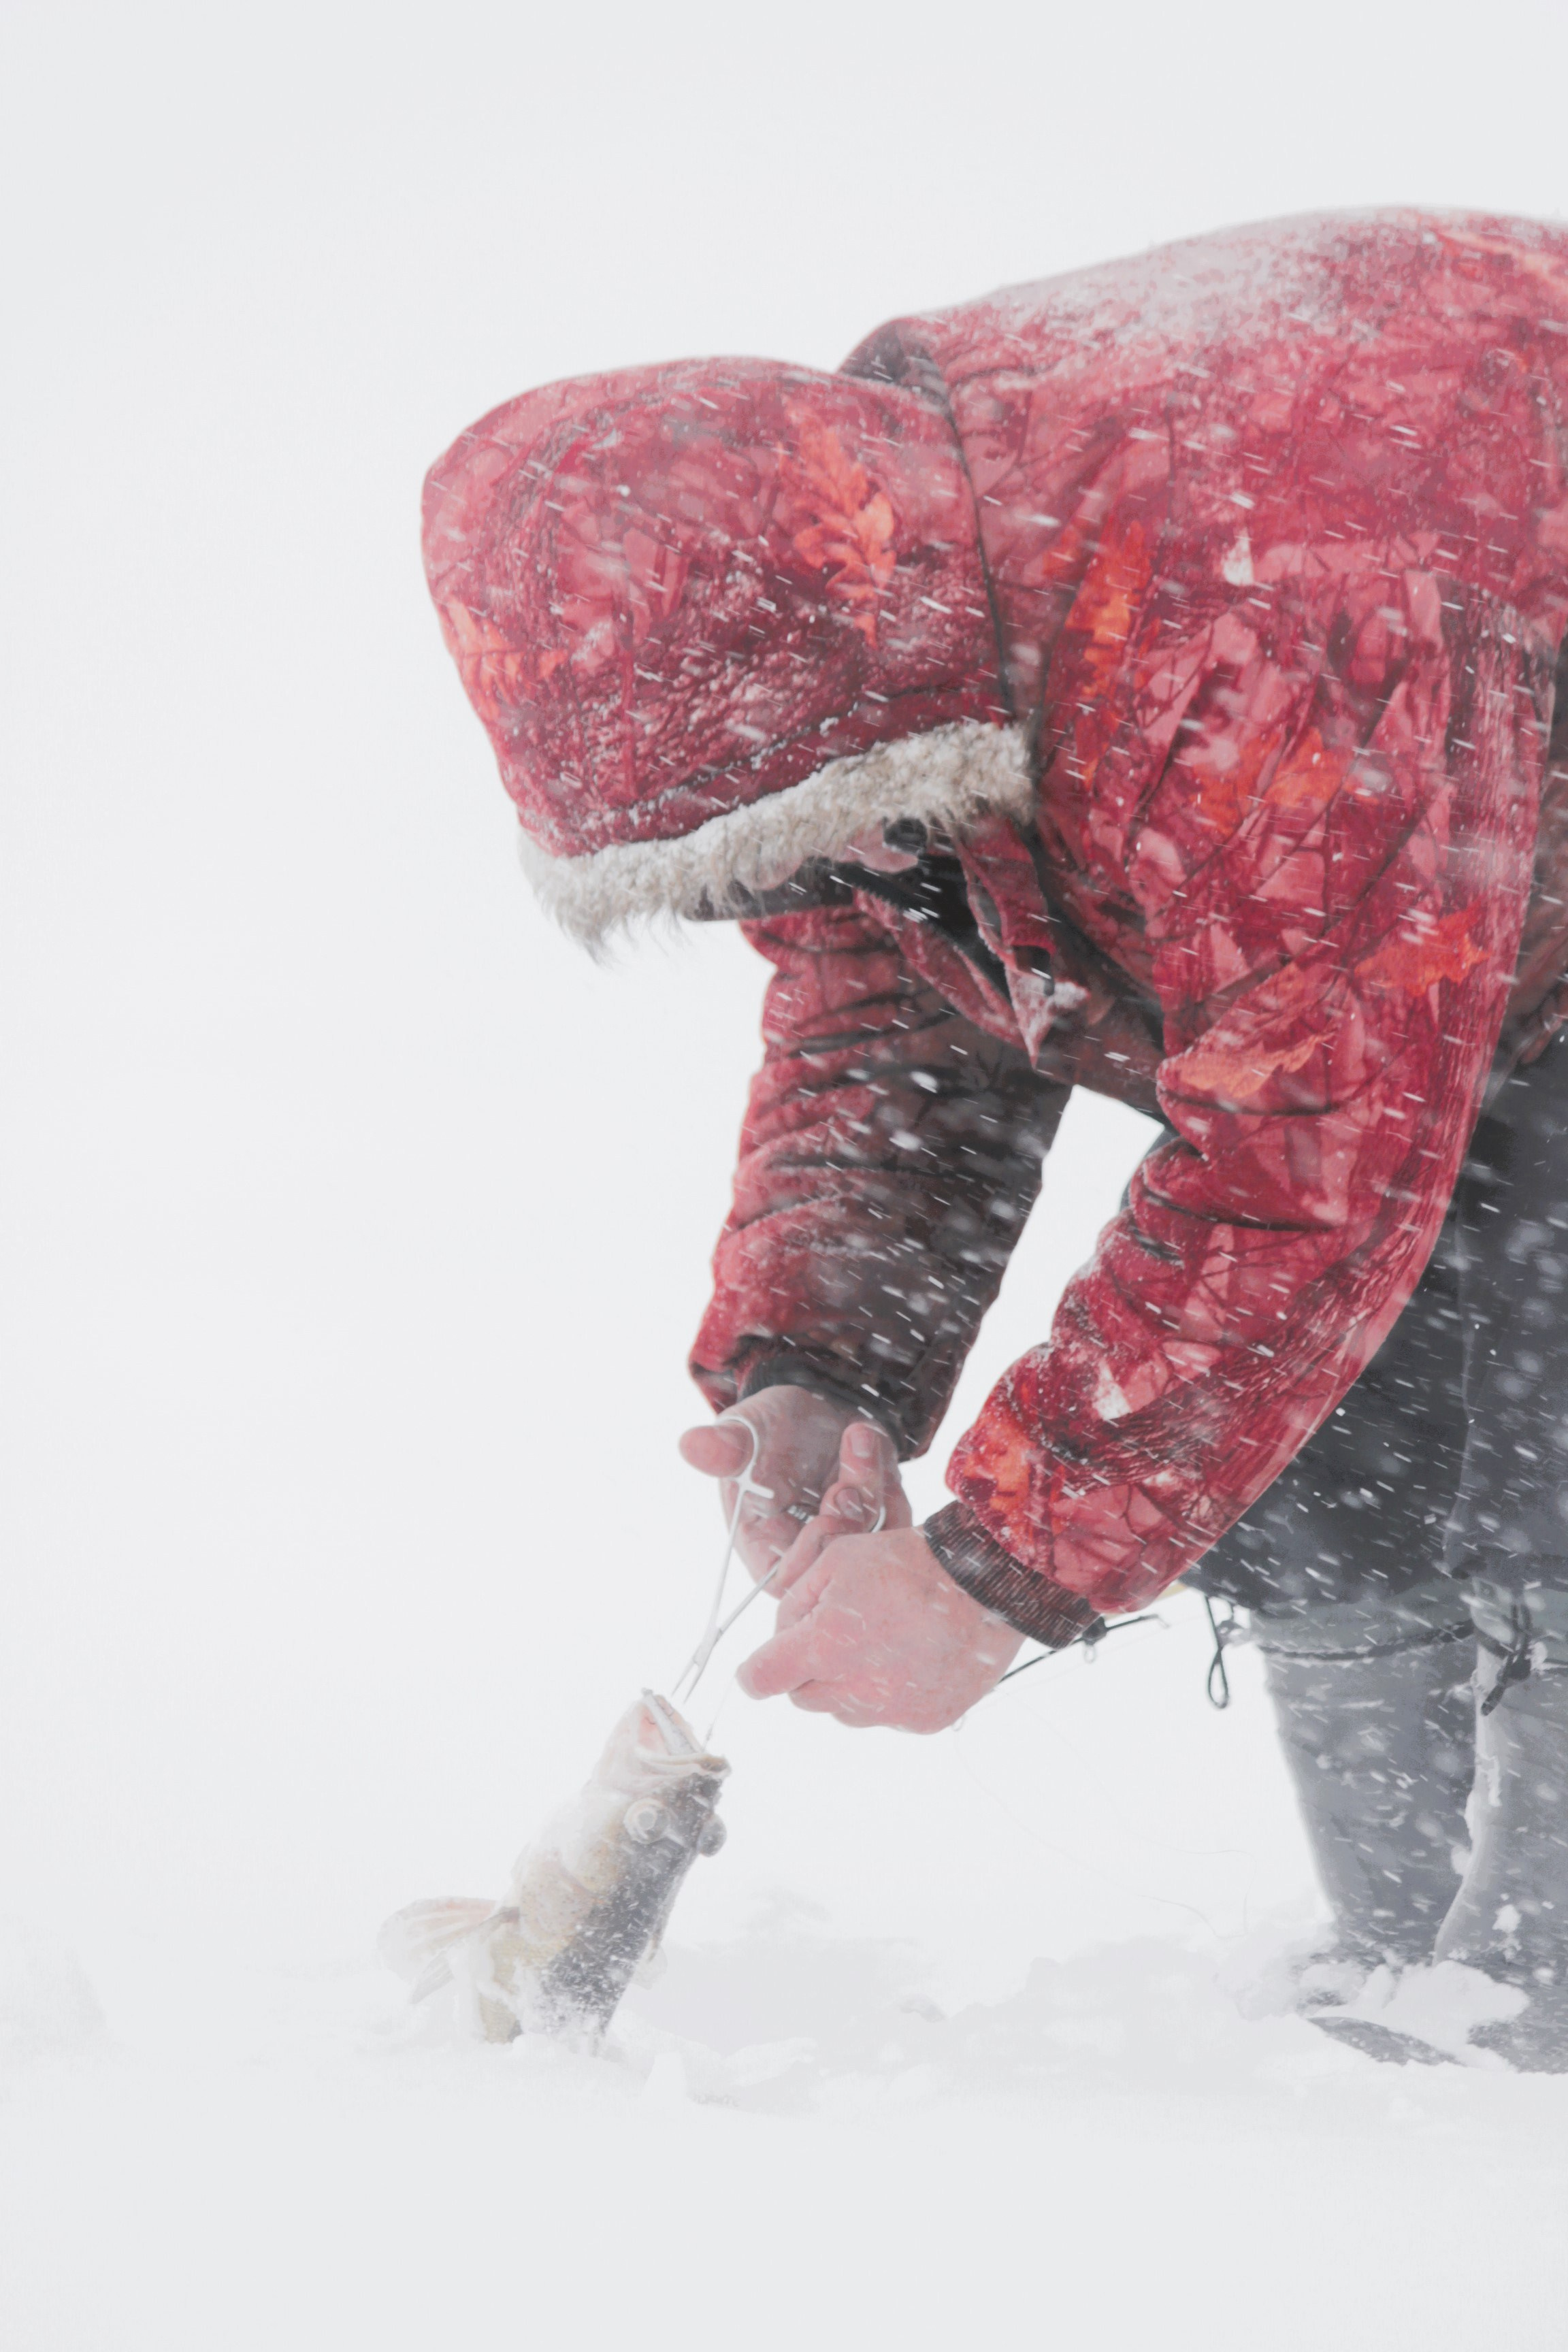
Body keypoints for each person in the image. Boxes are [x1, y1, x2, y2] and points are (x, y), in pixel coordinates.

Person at [421, 210, 1568, 2068]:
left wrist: (992, 1579)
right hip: (1443, 879)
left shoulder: (1248, 620)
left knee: (1541, 1393)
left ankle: (1535, 2018)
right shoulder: (833, 665)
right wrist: (825, 1364)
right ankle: (1404, 1964)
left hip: (1456, 731)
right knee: (1340, 1425)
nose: (817, 889)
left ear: (877, 708)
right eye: (765, 869)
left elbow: (1310, 1158)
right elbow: (893, 1002)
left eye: (818, 838)